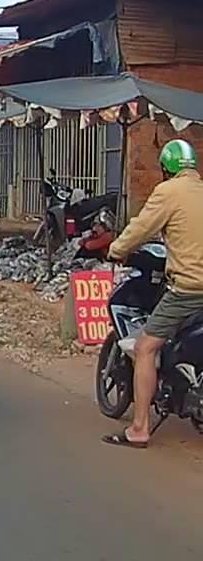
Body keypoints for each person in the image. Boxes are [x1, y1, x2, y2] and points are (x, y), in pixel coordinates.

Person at [101, 139, 203, 449]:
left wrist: (116, 249)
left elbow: (141, 227)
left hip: (188, 289)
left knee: (145, 348)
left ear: (165, 168)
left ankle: (139, 428)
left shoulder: (168, 192)